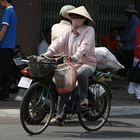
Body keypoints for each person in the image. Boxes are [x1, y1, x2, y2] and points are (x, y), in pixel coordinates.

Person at [41, 6, 97, 124]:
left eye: (78, 17)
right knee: (63, 86)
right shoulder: (68, 31)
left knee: (81, 74)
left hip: (87, 63)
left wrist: (76, 56)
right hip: (70, 64)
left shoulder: (89, 30)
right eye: (73, 16)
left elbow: (85, 46)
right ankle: (60, 116)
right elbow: (58, 43)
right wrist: (48, 53)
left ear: (83, 19)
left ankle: (83, 98)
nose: (75, 19)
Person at [0, 0, 17, 100]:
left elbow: (4, 28)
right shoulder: (13, 12)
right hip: (10, 46)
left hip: (4, 45)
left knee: (2, 70)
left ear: (4, 1)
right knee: (6, 71)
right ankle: (5, 94)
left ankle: (4, 93)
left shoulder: (7, 11)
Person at [120, 4, 140, 74]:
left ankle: (130, 74)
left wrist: (123, 39)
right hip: (127, 45)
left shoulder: (135, 21)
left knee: (130, 61)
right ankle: (127, 73)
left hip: (131, 45)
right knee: (127, 60)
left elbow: (131, 33)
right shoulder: (130, 20)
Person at [128, 24, 140, 101]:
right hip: (138, 55)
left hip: (137, 55)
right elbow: (138, 45)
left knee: (137, 75)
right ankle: (138, 94)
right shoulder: (139, 28)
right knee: (137, 75)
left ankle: (134, 92)